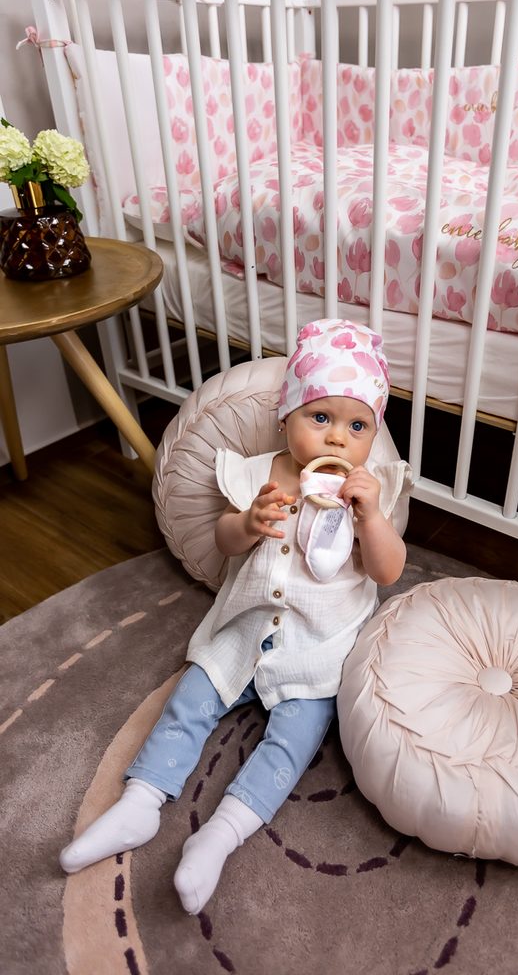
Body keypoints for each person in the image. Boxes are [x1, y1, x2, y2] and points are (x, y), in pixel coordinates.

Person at [60, 317, 410, 914]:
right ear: (287, 417)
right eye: (319, 417)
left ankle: (221, 835)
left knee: (296, 738)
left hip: (318, 647)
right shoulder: (259, 474)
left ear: (372, 438)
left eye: (356, 427)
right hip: (244, 629)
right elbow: (223, 544)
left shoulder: (368, 490)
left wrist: (372, 519)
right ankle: (141, 801)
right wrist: (248, 522)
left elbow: (387, 572)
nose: (336, 438)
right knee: (190, 699)